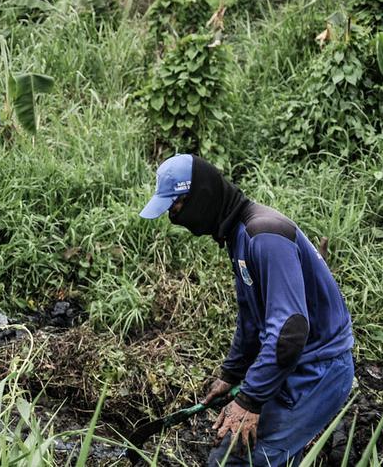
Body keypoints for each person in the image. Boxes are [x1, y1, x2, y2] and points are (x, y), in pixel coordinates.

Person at [140, 154, 354, 466]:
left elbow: (290, 331)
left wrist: (250, 400)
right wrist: (232, 373)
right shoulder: (239, 236)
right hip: (297, 363)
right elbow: (253, 319)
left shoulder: (264, 236)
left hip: (317, 370)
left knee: (234, 460)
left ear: (202, 196)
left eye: (177, 206)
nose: (175, 216)